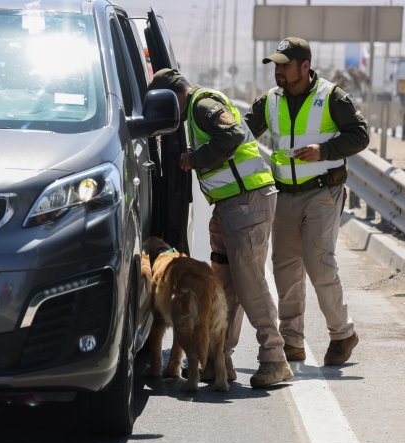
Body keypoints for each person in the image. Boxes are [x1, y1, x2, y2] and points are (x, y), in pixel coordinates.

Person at [148, 68, 291, 388]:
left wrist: (195, 158)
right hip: (229, 205)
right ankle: (217, 358)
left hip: (247, 201)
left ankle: (274, 358)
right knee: (224, 286)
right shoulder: (196, 109)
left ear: (175, 95)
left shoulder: (201, 104)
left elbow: (233, 135)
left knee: (250, 283)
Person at [245, 37, 369, 366]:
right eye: (276, 65)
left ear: (305, 66)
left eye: (285, 65)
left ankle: (343, 334)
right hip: (284, 194)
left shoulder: (332, 96)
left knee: (319, 263)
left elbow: (361, 135)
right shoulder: (269, 101)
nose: (279, 71)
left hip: (322, 192)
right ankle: (292, 342)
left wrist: (323, 151)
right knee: (284, 269)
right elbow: (243, 134)